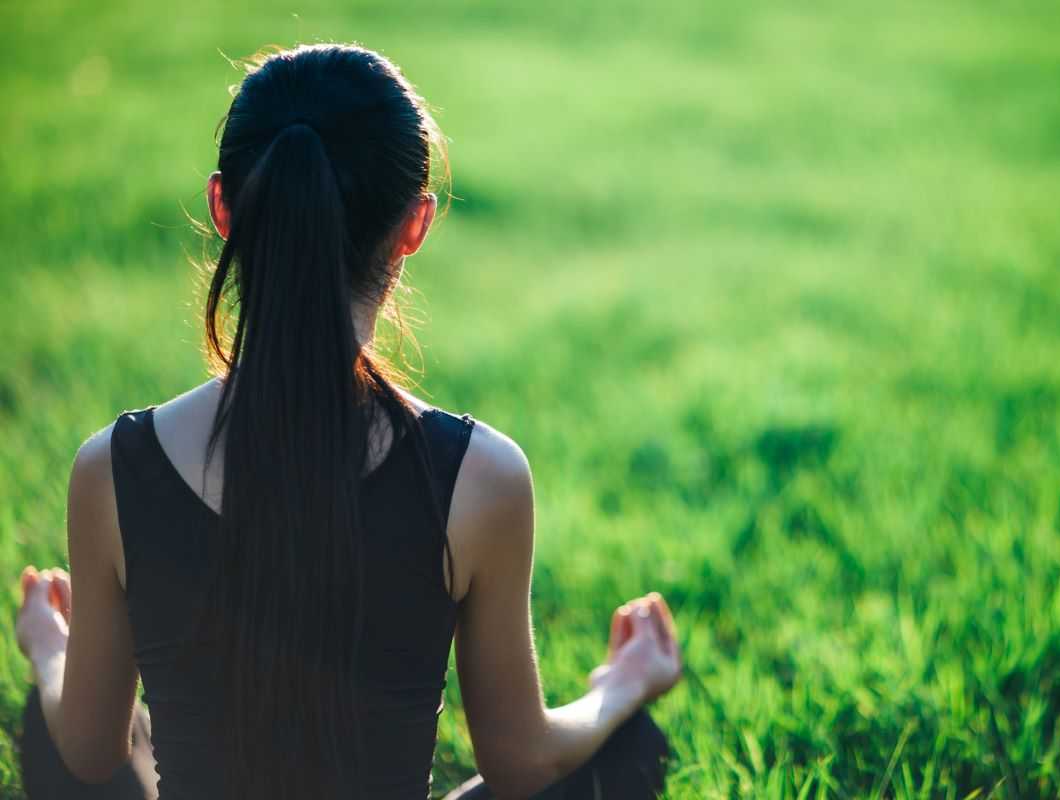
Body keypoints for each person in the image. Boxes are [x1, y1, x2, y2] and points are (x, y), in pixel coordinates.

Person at [13, 43, 682, 800]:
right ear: (414, 226)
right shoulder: (479, 479)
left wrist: (49, 648)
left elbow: (89, 752)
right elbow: (522, 762)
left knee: (59, 716)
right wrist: (620, 685)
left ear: (223, 208)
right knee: (621, 747)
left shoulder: (113, 469)